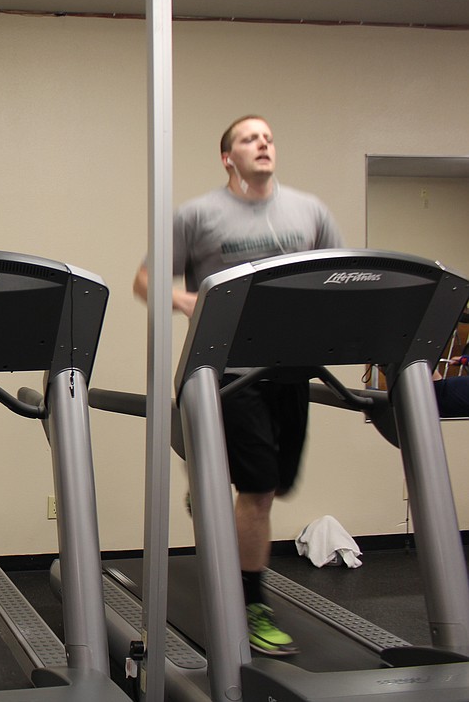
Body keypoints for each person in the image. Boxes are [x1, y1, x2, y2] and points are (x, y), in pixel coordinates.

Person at [133, 115, 343, 656]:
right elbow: (145, 279)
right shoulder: (198, 214)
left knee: (273, 486)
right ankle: (253, 604)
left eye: (269, 136)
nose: (263, 143)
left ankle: (208, 490)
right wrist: (187, 301)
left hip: (291, 368)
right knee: (258, 489)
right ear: (228, 157)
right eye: (250, 138)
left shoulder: (310, 210)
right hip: (227, 368)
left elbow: (336, 277)